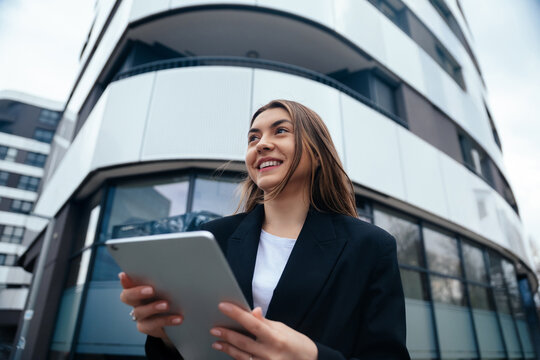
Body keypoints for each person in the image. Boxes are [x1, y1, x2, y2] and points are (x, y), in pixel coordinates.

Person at [119, 99, 410, 359]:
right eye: (253, 137)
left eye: (280, 131)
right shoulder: (213, 237)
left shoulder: (370, 246)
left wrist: (312, 356)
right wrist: (168, 338)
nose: (261, 144)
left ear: (319, 154)